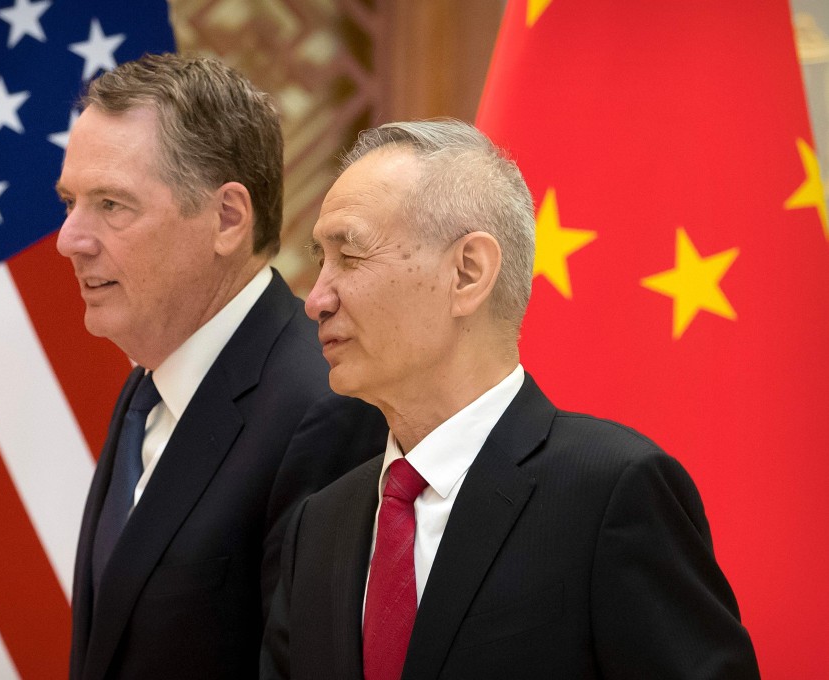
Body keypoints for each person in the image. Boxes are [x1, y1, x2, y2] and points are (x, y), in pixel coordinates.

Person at [260, 120, 760, 679]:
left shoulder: (613, 494)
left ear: (468, 272)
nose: (317, 298)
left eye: (348, 257)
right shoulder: (320, 525)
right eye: (319, 260)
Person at [56, 53, 387, 680]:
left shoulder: (325, 408)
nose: (69, 239)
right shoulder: (150, 381)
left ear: (228, 218)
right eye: (70, 201)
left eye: (111, 204)